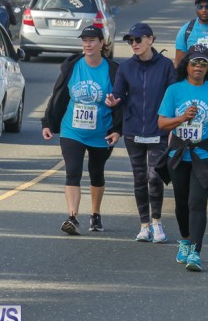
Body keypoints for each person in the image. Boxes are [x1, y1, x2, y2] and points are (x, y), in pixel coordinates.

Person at [41, 25, 122, 235]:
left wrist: (118, 128)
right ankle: (73, 218)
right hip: (72, 130)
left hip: (101, 132)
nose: (87, 44)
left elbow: (123, 101)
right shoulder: (72, 66)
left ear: (102, 43)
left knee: (96, 173)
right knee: (73, 172)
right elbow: (58, 96)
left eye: (92, 40)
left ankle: (95, 214)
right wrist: (47, 122)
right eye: (84, 40)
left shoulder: (113, 70)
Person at [156, 45, 208, 272]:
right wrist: (181, 118)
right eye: (194, 62)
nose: (198, 66)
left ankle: (195, 251)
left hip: (204, 153)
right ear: (186, 66)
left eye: (203, 63)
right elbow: (162, 123)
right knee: (182, 202)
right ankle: (185, 240)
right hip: (179, 153)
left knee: (197, 202)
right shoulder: (174, 90)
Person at [105, 23, 176, 243]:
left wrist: (173, 126)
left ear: (150, 40)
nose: (134, 44)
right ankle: (144, 225)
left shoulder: (166, 66)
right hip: (133, 130)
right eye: (130, 41)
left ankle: (157, 222)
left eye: (138, 39)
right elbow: (118, 93)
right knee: (139, 177)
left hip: (158, 130)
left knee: (154, 176)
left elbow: (173, 95)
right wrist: (114, 100)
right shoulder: (126, 67)